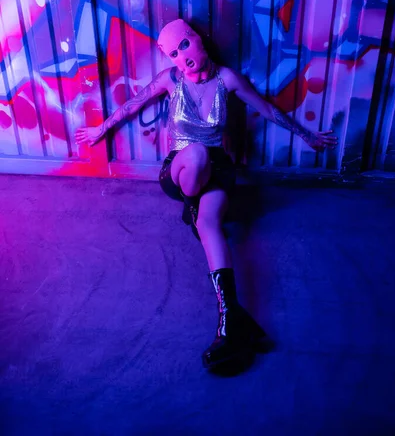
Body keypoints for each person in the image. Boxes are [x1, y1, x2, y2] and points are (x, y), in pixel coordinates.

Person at [76, 19, 338, 373]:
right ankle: (191, 206)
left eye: (184, 47)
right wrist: (101, 128)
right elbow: (134, 104)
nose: (182, 59)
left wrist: (305, 135)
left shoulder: (226, 79)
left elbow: (266, 108)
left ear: (197, 41)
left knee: (210, 224)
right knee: (198, 154)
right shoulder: (171, 81)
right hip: (180, 170)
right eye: (173, 54)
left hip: (218, 169)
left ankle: (230, 321)